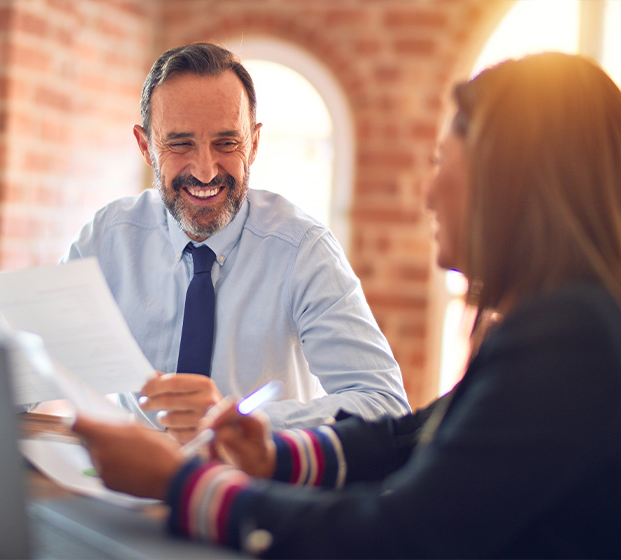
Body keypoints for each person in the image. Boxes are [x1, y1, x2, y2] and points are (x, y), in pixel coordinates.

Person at [72, 52, 621, 558]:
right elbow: (412, 435)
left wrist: (180, 485)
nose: (428, 194)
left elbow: (399, 532)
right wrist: (276, 455)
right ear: (147, 146)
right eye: (181, 143)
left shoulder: (570, 339)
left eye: (443, 163)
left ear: (514, 188)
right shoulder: (566, 325)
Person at [61, 42, 409, 442]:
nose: (206, 171)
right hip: (134, 484)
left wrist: (241, 424)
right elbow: (36, 360)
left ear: (254, 144)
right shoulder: (108, 237)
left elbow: (385, 405)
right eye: (180, 143)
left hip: (257, 492)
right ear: (146, 148)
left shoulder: (303, 251)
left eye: (227, 143)